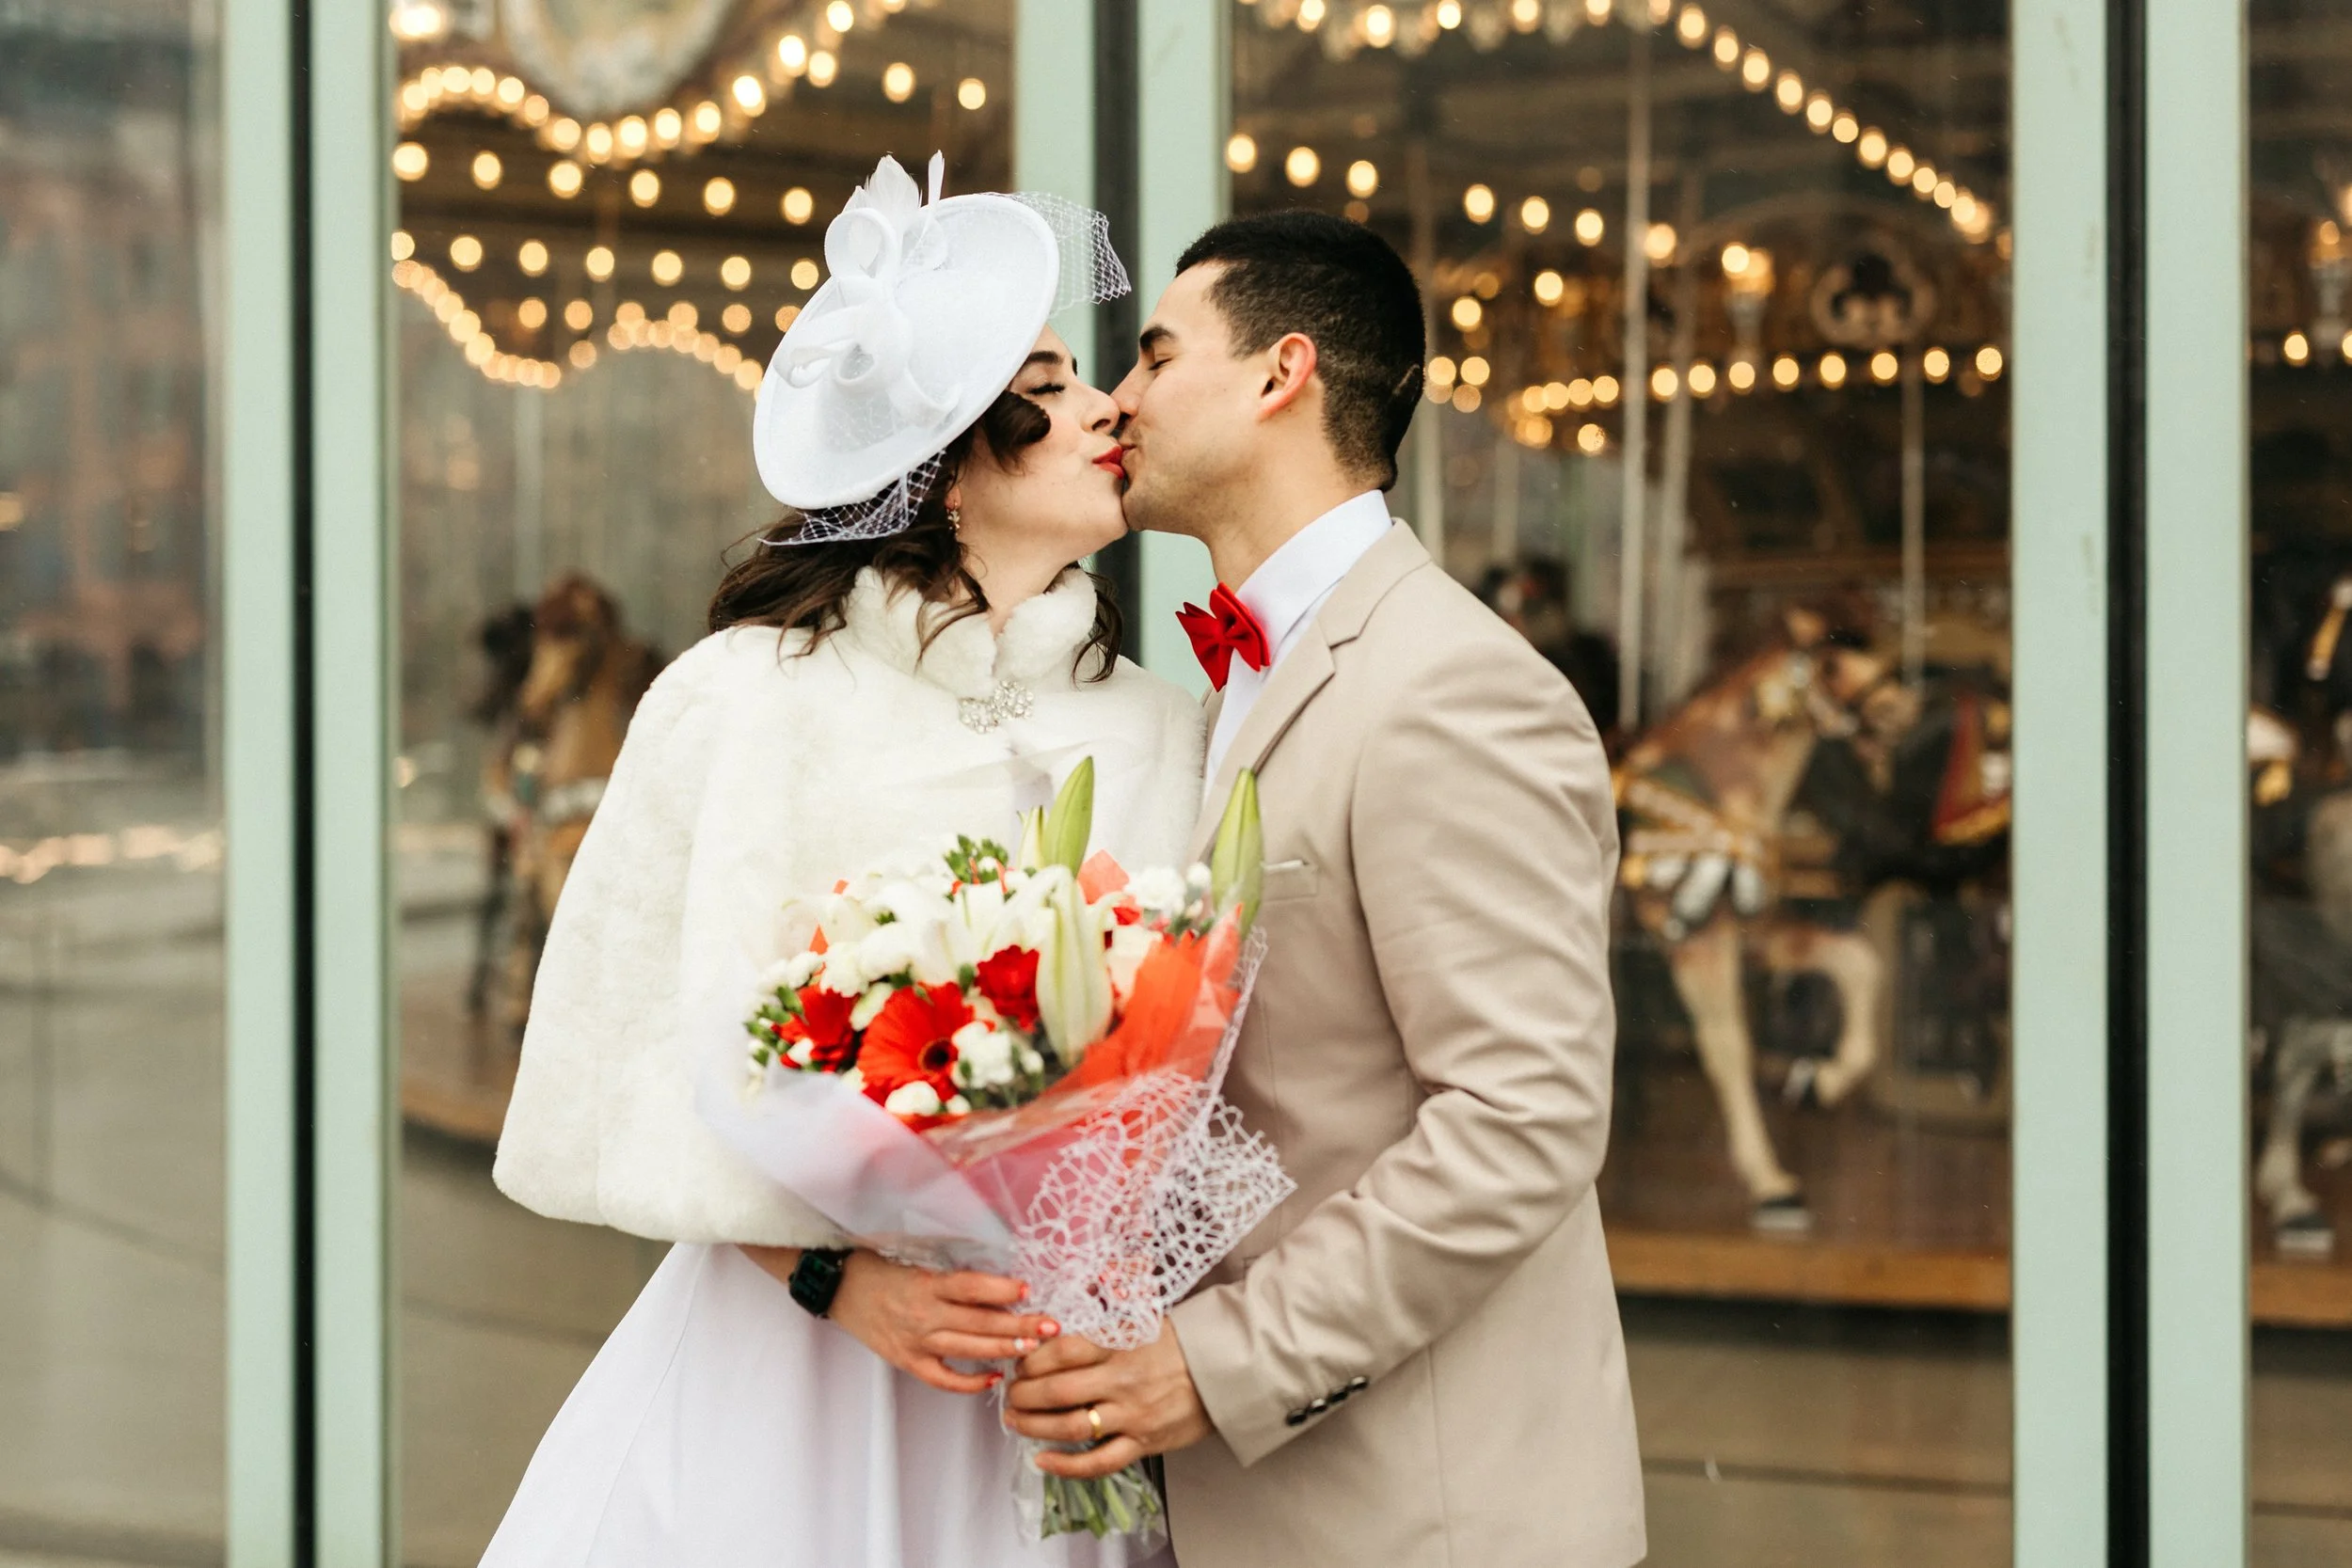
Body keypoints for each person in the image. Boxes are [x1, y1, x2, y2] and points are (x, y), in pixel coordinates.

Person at [481, 154, 1198, 1568]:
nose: (1108, 403)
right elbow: (638, 1054)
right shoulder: (743, 697)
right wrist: (835, 1276)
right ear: (940, 452)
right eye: (1049, 383)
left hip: (1065, 1387)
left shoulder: (1162, 723)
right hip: (789, 1384)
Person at [1004, 211, 1646, 1566]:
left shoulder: (1453, 688)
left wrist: (1220, 1360)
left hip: (1419, 1516)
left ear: (1279, 374)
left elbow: (1522, 1119)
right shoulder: (1215, 692)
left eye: (1155, 355)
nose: (1116, 402)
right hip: (1240, 1506)